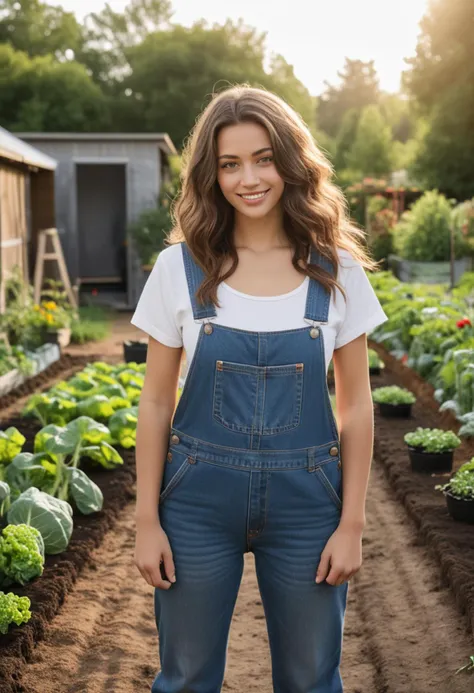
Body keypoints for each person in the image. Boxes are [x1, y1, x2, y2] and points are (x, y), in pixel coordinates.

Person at [130, 84, 388, 693]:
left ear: (292, 163)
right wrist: (146, 519)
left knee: (310, 679)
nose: (249, 177)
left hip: (308, 508)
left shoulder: (336, 269)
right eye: (230, 163)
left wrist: (351, 523)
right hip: (195, 503)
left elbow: (356, 406)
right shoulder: (180, 269)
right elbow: (156, 401)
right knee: (186, 677)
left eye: (264, 158)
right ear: (211, 174)